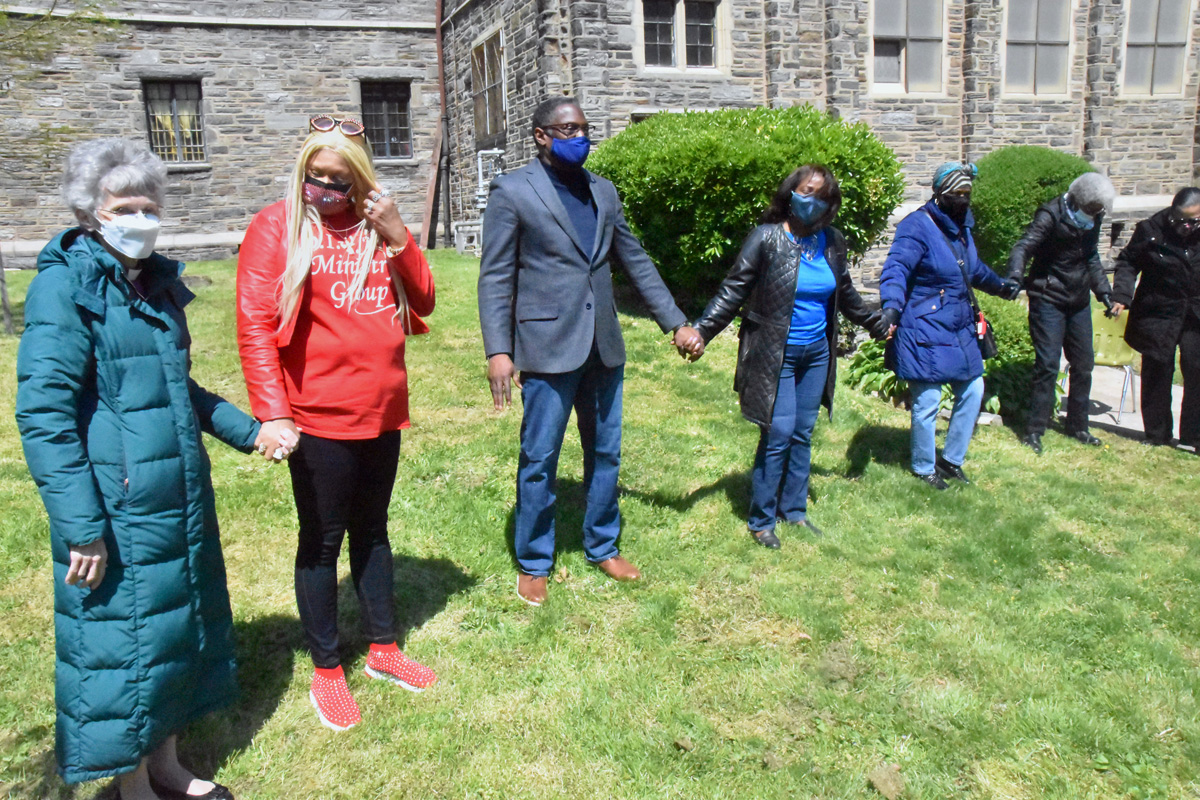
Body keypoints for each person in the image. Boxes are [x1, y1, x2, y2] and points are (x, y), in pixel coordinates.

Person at [16, 138, 284, 800]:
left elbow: (177, 389)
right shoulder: (65, 288)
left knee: (170, 636)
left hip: (175, 497)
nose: (140, 217)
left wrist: (249, 433)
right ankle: (131, 786)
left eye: (148, 205)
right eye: (124, 206)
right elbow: (44, 415)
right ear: (89, 213)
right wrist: (82, 526)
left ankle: (166, 765)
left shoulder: (155, 284)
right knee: (122, 650)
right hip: (115, 507)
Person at [236, 115, 437, 731]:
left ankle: (383, 649)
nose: (324, 188)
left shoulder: (378, 227)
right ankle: (327, 670)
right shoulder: (279, 225)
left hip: (382, 410)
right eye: (315, 176)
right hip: (317, 417)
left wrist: (398, 234)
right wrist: (273, 411)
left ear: (361, 182)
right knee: (322, 541)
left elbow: (424, 300)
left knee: (373, 530)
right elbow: (254, 325)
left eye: (338, 180)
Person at [478, 96, 703, 606]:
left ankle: (602, 543)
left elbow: (635, 260)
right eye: (568, 129)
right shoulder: (513, 191)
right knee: (540, 456)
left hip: (603, 343)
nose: (580, 137)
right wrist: (498, 349)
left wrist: (675, 322)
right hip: (545, 345)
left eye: (584, 128)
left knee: (606, 451)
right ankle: (535, 559)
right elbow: (495, 276)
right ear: (541, 135)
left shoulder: (604, 192)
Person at [691, 165, 885, 548]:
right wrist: (701, 332)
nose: (812, 201)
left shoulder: (832, 242)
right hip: (773, 352)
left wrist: (877, 325)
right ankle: (761, 520)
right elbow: (734, 290)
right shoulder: (766, 239)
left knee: (802, 432)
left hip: (816, 354)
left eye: (822, 196)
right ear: (790, 193)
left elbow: (845, 294)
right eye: (806, 191)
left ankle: (794, 511)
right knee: (777, 433)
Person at [878, 162, 1022, 489]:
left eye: (967, 193)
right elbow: (896, 268)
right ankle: (923, 467)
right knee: (928, 400)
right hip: (923, 325)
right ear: (940, 195)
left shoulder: (962, 227)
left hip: (958, 325)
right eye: (956, 194)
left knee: (973, 389)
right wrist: (891, 309)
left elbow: (971, 269)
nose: (963, 199)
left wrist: (1001, 286)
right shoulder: (916, 227)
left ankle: (951, 460)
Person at [1007, 172, 1116, 454]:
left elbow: (1091, 256)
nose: (1094, 215)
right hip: (1049, 297)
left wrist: (1104, 292)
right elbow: (1024, 246)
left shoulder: (1093, 216)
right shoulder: (1050, 215)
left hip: (1078, 300)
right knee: (1048, 365)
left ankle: (1078, 425)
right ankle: (1034, 429)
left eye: (1097, 212)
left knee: (1084, 364)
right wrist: (1016, 275)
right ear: (1077, 201)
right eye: (1091, 210)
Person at [1110, 187, 1200, 449]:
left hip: (1195, 312)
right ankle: (1157, 434)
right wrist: (1122, 295)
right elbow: (1127, 262)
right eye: (1179, 220)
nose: (1184, 226)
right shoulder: (1150, 230)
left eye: (1192, 222)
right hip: (1158, 311)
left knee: (1196, 370)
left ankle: (1194, 436)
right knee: (1157, 370)